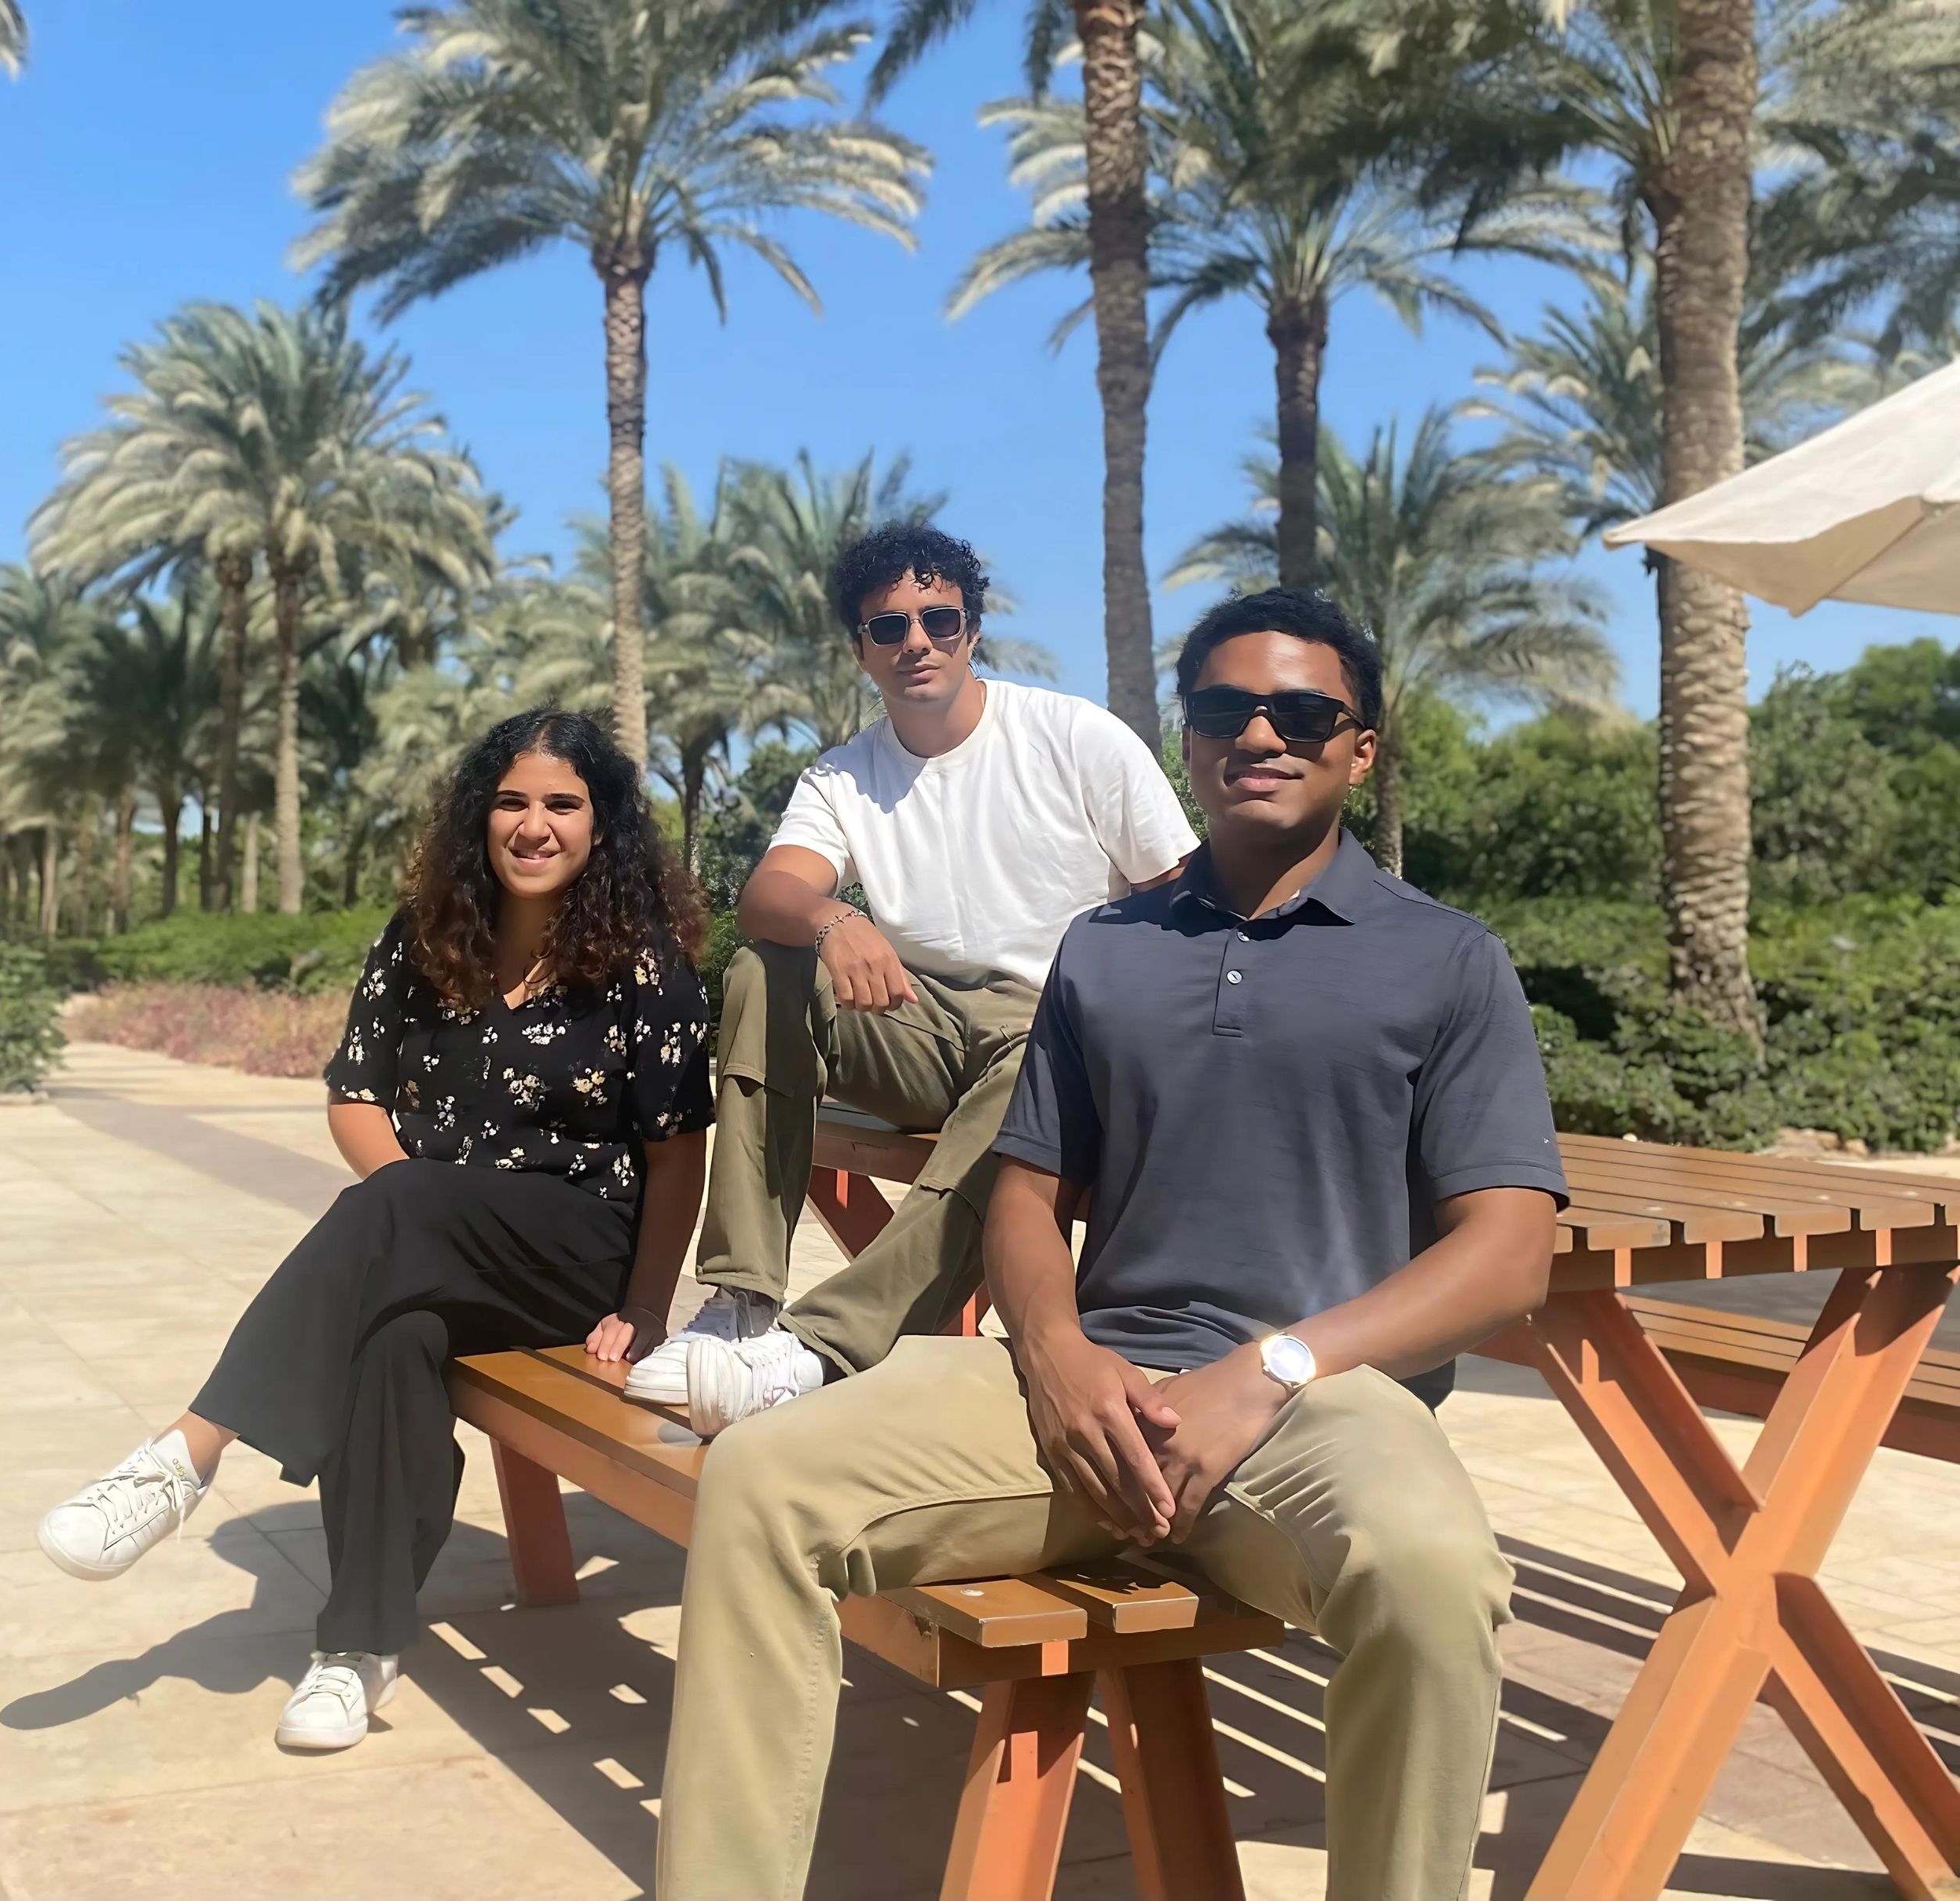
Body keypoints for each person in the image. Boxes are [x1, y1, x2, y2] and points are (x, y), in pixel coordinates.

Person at [655, 588, 1569, 1901]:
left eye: (1301, 710)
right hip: (1085, 1394)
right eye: (1220, 707)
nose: (1258, 731)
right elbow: (1024, 1195)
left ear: (1358, 748)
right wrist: (1056, 1350)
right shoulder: (1106, 947)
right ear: (1184, 737)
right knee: (756, 1479)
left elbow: (1504, 1255)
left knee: (1430, 1574)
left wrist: (1273, 1367)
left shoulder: (1445, 959)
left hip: (1318, 1408)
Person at [35, 710, 713, 1752]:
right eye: (513, 801)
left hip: (576, 1254)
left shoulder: (646, 969)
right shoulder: (428, 937)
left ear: (602, 826)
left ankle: (186, 1454)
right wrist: (414, 1214)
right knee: (391, 1341)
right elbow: (355, 1094)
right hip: (436, 1232)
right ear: (480, 817)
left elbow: (676, 1156)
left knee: (401, 1219)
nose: (535, 825)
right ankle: (357, 1646)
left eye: (563, 805)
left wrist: (645, 1304)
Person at [625, 520, 1196, 1432]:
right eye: (888, 628)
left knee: (1026, 1090)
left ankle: (823, 1350)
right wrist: (834, 917)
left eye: (939, 618)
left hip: (1061, 1029)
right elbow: (772, 890)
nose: (916, 641)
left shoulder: (1075, 736)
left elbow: (1181, 899)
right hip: (917, 1024)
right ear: (861, 649)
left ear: (972, 629)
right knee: (764, 971)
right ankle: (740, 1304)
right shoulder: (846, 774)